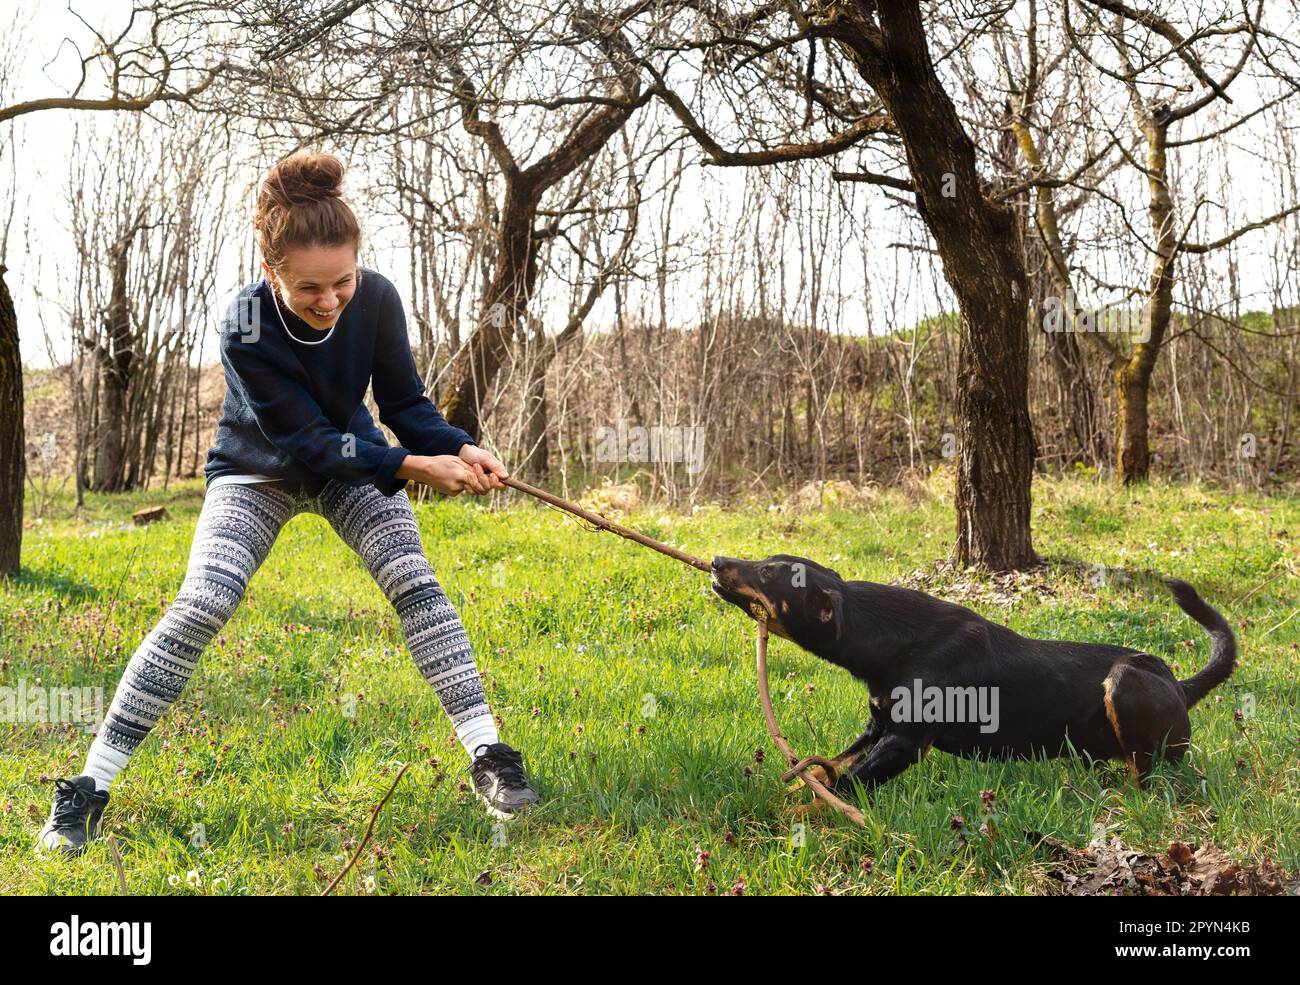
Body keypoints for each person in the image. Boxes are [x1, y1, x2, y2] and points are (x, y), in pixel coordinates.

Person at [38, 150, 539, 856]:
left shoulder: (380, 298)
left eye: (343, 281)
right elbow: (304, 438)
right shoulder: (244, 321)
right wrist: (409, 465)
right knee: (202, 602)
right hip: (256, 470)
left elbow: (404, 403)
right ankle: (87, 789)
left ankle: (490, 755)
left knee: (415, 582)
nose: (331, 299)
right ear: (269, 270)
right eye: (310, 288)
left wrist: (457, 446)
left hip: (354, 464)